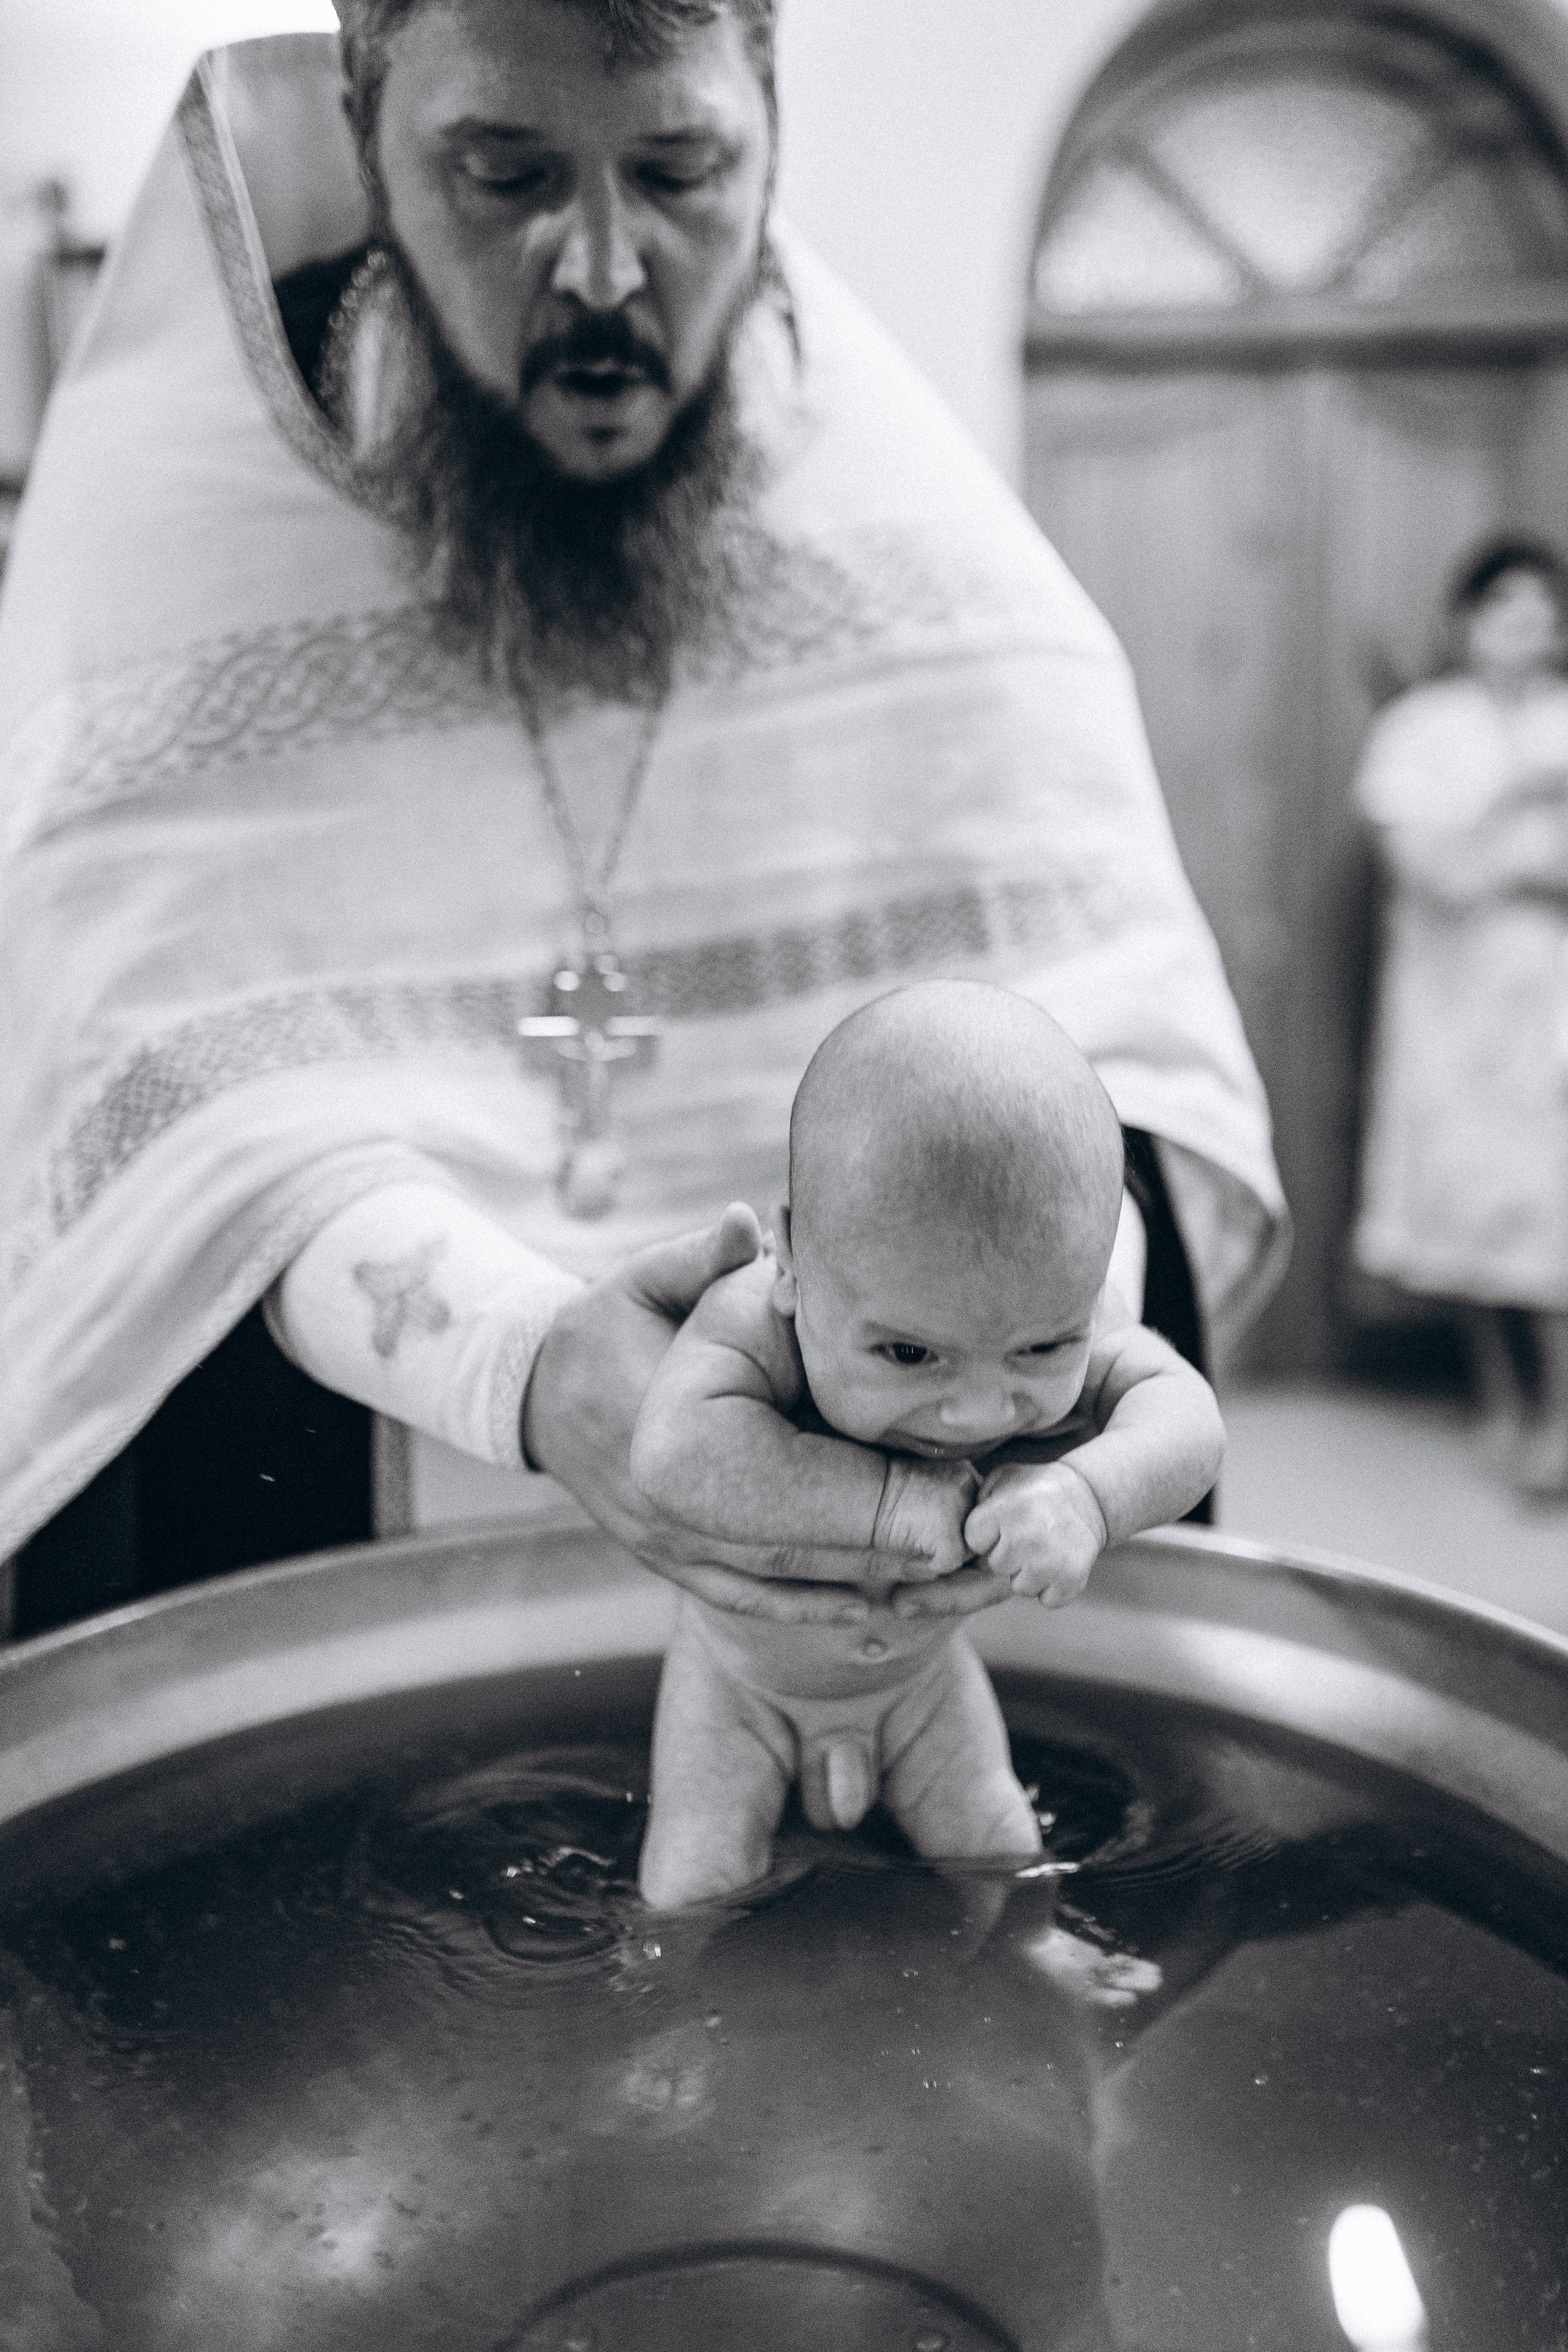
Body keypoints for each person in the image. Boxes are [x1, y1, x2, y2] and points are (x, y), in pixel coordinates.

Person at [0, 1, 1285, 1637]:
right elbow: (121, 1078)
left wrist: (981, 1396)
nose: (604, 268)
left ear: (769, 124)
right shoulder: (175, 524)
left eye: (679, 170)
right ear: (362, 132)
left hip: (902, 1535)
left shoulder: (929, 557)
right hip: (343, 1510)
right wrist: (520, 1366)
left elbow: (1130, 1058)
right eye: (504, 174)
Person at [633, 984, 1226, 1907]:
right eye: (910, 1354)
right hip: (741, 1687)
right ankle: (667, 2021)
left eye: (1041, 1350)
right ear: (793, 1262)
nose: (979, 1412)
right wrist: (889, 1507)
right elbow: (670, 1453)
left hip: (926, 1689)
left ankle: (1037, 1969)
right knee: (695, 1874)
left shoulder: (1059, 1304)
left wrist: (1090, 1497)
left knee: (1001, 1845)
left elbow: (1187, 1421)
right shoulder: (753, 1322)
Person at [1352, 537, 1568, 1499]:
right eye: (1505, 613)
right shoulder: (1422, 727)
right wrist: (1517, 810)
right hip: (1457, 1012)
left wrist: (1506, 867)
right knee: (1474, 1216)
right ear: (1467, 622)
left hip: (1550, 1006)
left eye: (1542, 615)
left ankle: (1558, 1416)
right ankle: (1501, 1399)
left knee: (1552, 1221)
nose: (1526, 634)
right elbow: (1425, 869)